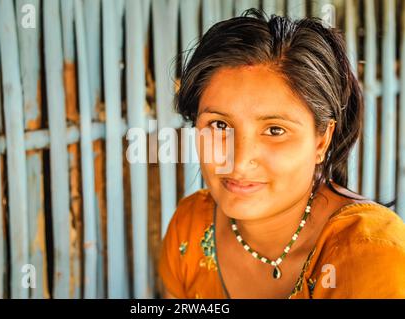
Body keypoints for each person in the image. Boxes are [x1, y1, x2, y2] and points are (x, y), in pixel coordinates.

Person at [157, 9, 405, 299]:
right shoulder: (190, 226)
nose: (239, 160)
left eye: (275, 130)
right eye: (220, 125)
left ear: (322, 140)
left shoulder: (372, 254)